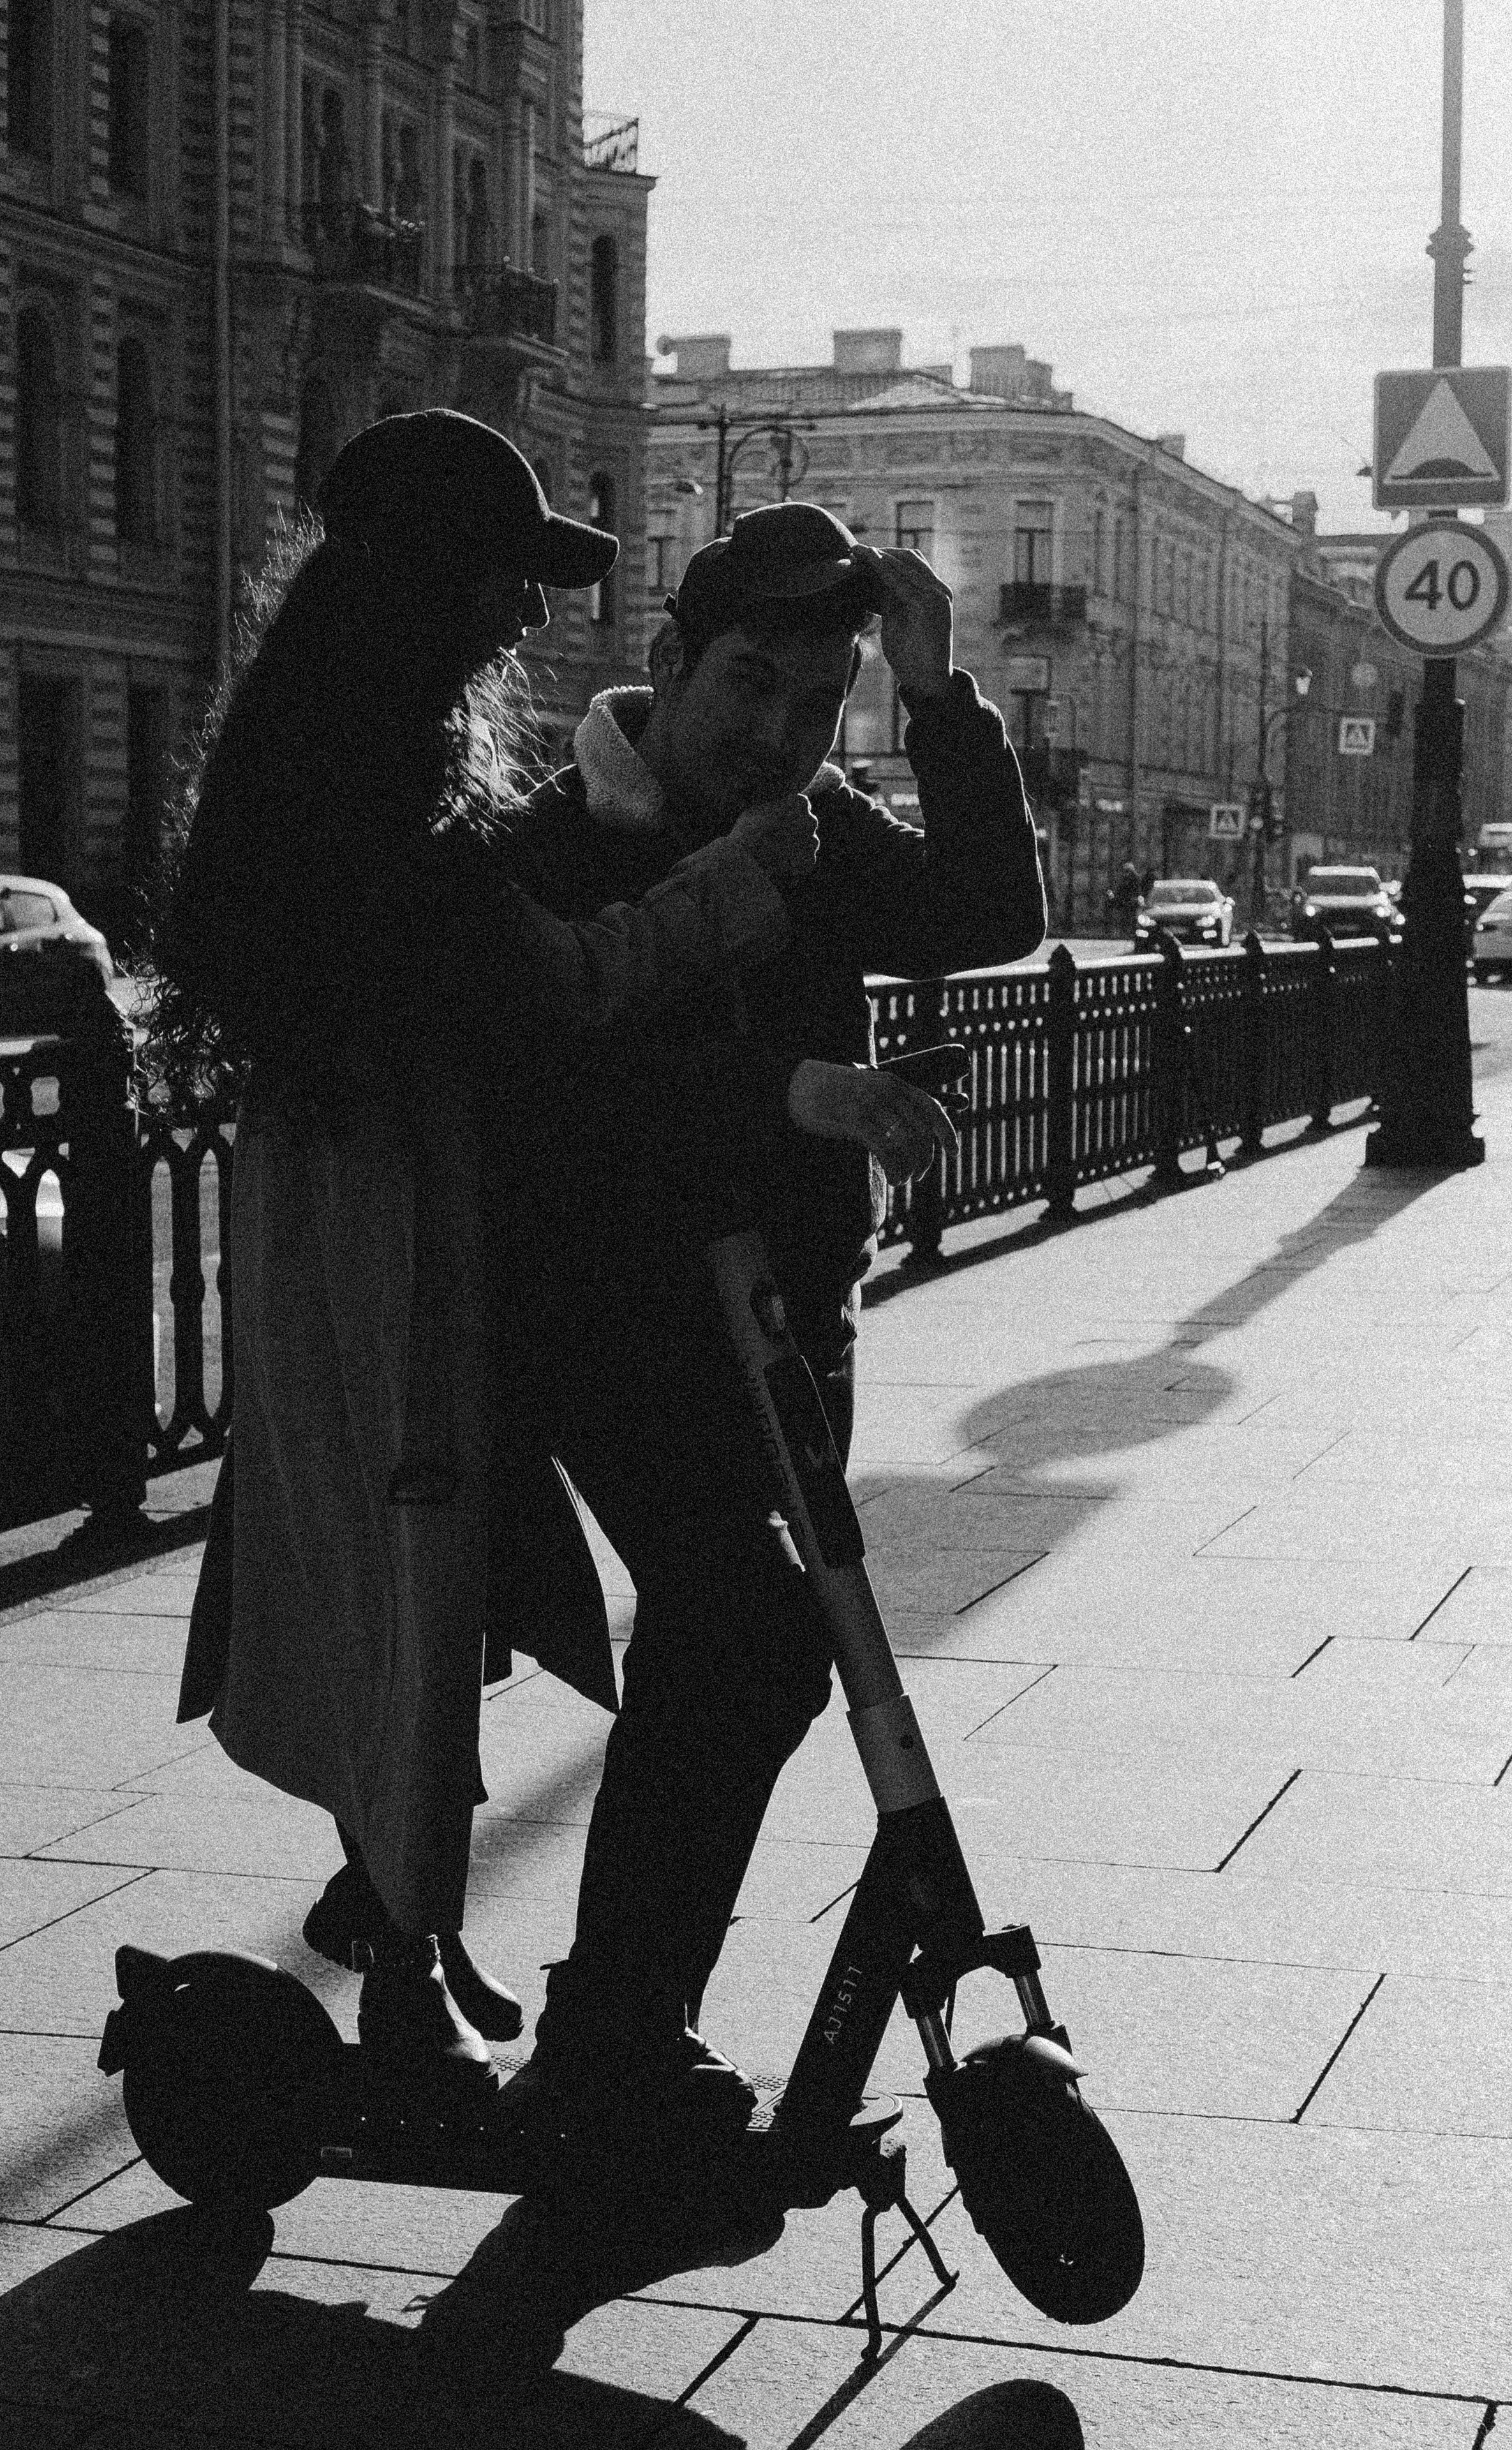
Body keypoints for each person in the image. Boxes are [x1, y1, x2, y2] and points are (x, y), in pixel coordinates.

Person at [159, 413, 914, 2100]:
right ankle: (421, 1977)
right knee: (413, 1599)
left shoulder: (373, 783)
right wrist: (736, 890)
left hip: (406, 1248)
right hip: (395, 1265)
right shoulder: (375, 822)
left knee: (429, 1603)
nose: (522, 625)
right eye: (504, 590)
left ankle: (414, 1945)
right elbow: (562, 992)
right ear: (425, 597)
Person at [496, 501, 1047, 2153]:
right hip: (624, 1311)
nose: (786, 735)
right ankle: (608, 2043)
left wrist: (943, 701)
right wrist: (796, 1092)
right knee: (746, 1624)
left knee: (759, 1652)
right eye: (754, 687)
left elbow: (982, 914)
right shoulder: (562, 846)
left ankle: (628, 2028)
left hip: (799, 1308)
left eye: (823, 706)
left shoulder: (817, 825)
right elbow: (578, 1083)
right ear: (666, 662)